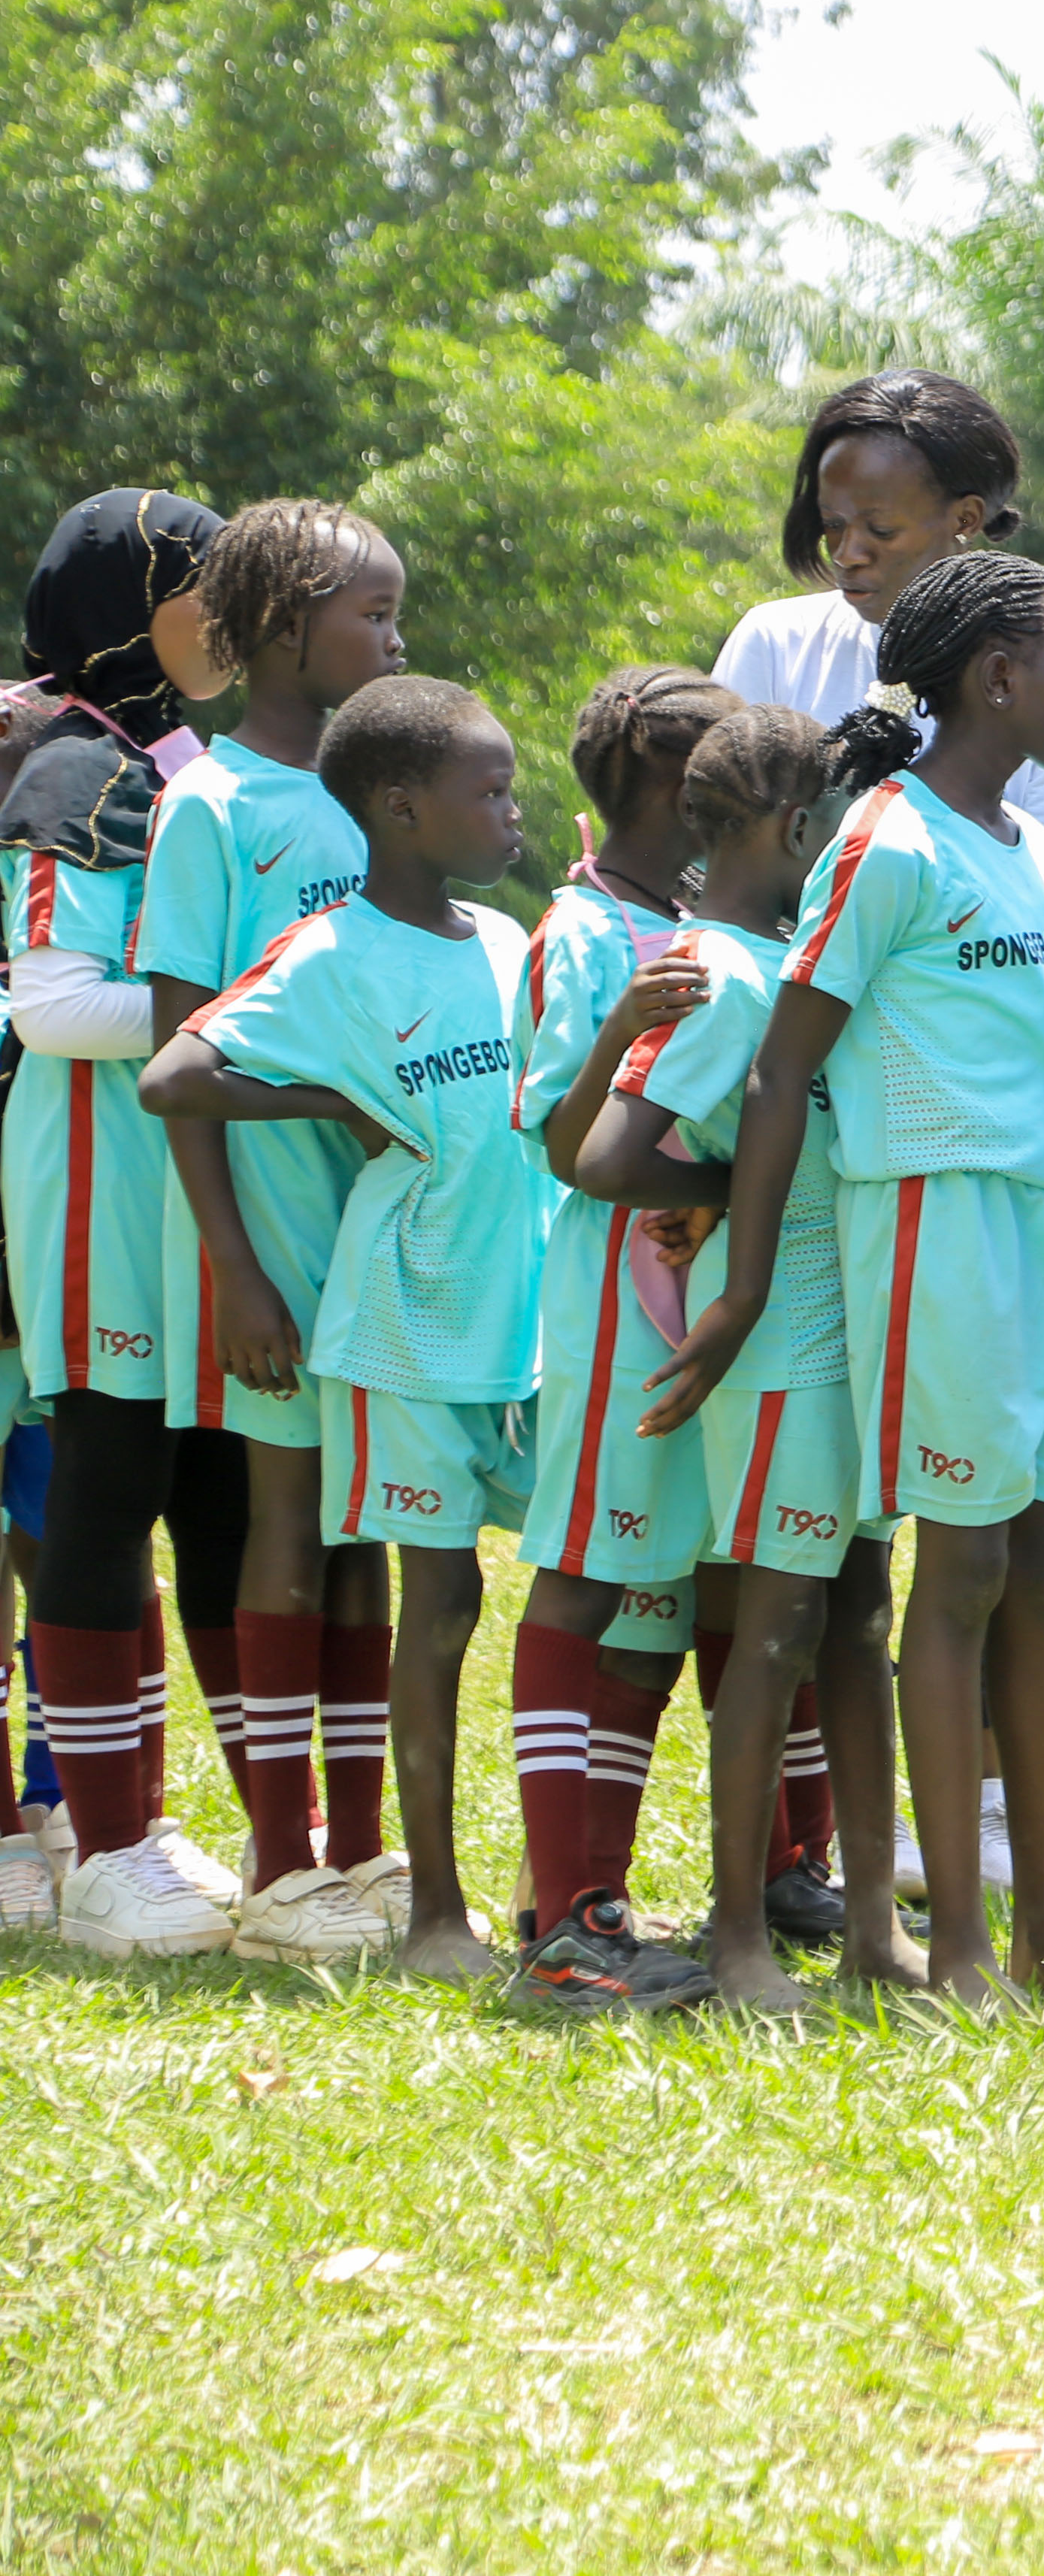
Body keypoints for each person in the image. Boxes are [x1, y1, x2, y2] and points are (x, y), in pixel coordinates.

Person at [646, 549, 1044, 2007]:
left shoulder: (1027, 848)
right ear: (995, 679)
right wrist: (735, 1291)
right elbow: (786, 1068)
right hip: (938, 1215)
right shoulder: (886, 841)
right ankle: (954, 1944)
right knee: (960, 1569)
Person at [143, 676, 559, 1986]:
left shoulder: (503, 942)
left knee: (568, 1585)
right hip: (403, 1328)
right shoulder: (330, 949)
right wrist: (337, 1091)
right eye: (488, 792)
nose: (512, 811)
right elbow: (177, 1071)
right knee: (439, 1596)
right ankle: (434, 1915)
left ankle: (558, 1887)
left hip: (524, 1326)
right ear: (399, 807)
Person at [564, 700, 916, 2010]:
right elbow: (605, 1157)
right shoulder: (720, 968)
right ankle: (738, 1937)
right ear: (794, 825)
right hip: (768, 1343)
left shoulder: (787, 957)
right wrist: (735, 1183)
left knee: (858, 1613)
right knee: (771, 1630)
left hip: (847, 1327)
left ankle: (876, 1927)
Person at [127, 501, 414, 1954]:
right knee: (285, 1525)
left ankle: (368, 1853)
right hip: (268, 1236)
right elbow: (180, 1052)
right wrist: (232, 1264)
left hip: (391, 1233)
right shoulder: (214, 807)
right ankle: (281, 1854)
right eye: (375, 616)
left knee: (369, 1529)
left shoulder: (387, 797)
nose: (396, 642)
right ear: (290, 623)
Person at [509, 666, 825, 1962]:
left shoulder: (730, 933)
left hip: (704, 1309)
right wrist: (719, 1189)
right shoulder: (588, 936)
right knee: (592, 1581)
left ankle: (771, 1865)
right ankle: (565, 1902)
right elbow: (566, 1144)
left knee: (705, 1587)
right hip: (617, 1310)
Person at [7, 490, 265, 1958]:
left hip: (188, 1186)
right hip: (101, 1176)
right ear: (123, 604)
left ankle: (243, 1843)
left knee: (219, 1491)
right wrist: (260, 1004)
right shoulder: (67, 769)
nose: (230, 617)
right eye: (201, 586)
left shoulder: (178, 760)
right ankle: (103, 1850)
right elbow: (51, 1008)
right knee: (104, 1485)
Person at [714, 372, 1044, 910]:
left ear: (965, 518)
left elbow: (1041, 927)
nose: (846, 553)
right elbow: (713, 865)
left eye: (881, 530)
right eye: (833, 524)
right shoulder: (772, 645)